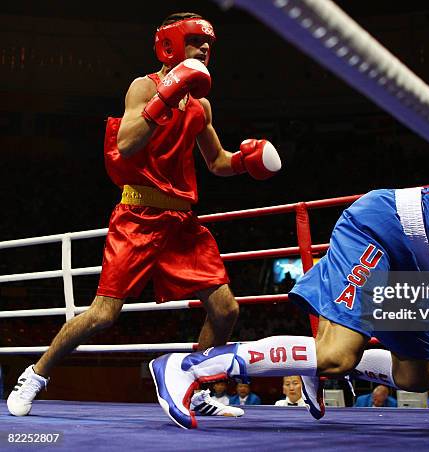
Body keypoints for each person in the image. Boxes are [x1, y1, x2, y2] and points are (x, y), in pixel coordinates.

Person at [148, 186, 429, 432]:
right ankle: (187, 367)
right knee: (337, 355)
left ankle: (317, 358)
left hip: (414, 266)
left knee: (416, 376)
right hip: (384, 228)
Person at [7, 11, 281, 419]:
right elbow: (128, 142)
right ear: (170, 43)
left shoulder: (201, 105)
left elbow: (218, 162)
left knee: (226, 310)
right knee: (103, 315)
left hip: (183, 224)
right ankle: (34, 374)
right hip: (138, 215)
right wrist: (166, 96)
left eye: (209, 43)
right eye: (194, 41)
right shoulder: (143, 87)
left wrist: (247, 160)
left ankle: (192, 384)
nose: (205, 48)